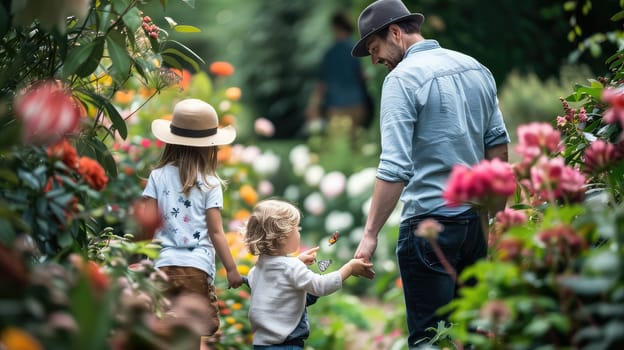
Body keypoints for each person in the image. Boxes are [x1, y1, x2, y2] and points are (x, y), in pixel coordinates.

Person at [350, 0, 511, 347]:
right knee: (471, 337)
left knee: (429, 340)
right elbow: (497, 148)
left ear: (395, 33)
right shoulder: (474, 67)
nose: (376, 60)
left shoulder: (401, 80)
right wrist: (496, 218)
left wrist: (369, 234)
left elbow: (394, 167)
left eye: (375, 49)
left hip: (429, 229)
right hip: (474, 226)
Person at [142, 98, 244, 349]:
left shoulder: (157, 176)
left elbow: (145, 224)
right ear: (211, 147)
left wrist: (141, 258)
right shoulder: (210, 183)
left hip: (162, 265)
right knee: (190, 335)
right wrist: (231, 269)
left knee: (163, 332)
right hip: (197, 267)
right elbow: (217, 231)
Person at [243, 199, 373, 349]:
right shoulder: (291, 268)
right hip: (287, 344)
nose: (299, 231)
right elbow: (320, 286)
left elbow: (277, 281)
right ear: (282, 237)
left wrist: (297, 261)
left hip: (261, 345)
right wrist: (349, 268)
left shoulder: (256, 270)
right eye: (296, 228)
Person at [305, 11, 373, 146]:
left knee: (339, 146)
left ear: (335, 27)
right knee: (357, 144)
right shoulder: (358, 50)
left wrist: (313, 105)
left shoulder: (329, 53)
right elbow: (364, 76)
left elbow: (321, 84)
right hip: (357, 105)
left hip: (335, 107)